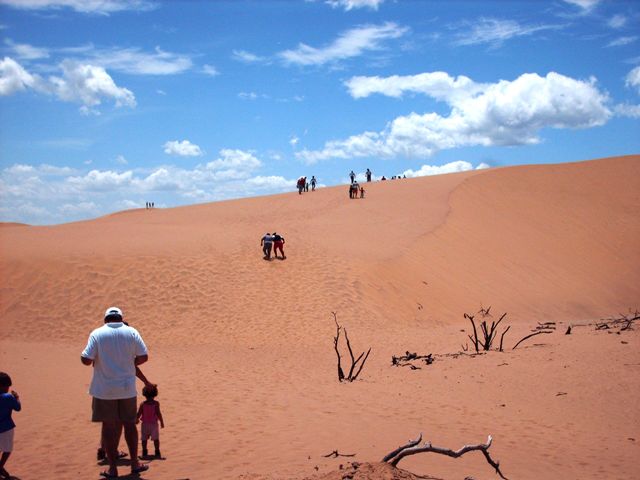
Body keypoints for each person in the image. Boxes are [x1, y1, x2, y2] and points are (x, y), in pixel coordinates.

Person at [81, 307, 150, 478]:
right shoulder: (131, 332)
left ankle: (113, 469)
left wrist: (99, 360)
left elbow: (86, 359)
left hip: (104, 389)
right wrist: (128, 363)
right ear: (120, 318)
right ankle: (135, 464)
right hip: (127, 388)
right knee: (129, 425)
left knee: (109, 427)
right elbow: (143, 356)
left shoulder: (97, 334)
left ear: (106, 320)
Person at [0, 372, 21, 480]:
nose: (8, 388)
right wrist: (16, 397)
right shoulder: (8, 397)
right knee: (7, 449)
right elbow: (17, 408)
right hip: (6, 428)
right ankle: (0, 466)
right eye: (7, 386)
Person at [136, 384, 165, 459]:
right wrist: (162, 422)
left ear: (144, 394)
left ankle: (144, 452)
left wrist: (136, 420)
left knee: (144, 439)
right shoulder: (156, 404)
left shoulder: (142, 404)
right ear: (155, 394)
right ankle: (157, 452)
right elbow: (159, 413)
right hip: (154, 425)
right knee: (156, 439)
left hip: (144, 425)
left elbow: (138, 414)